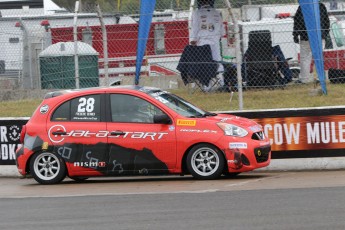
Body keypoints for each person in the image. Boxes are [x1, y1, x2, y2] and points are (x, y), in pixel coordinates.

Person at [190, 0, 226, 90]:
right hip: (215, 42)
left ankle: (207, 86)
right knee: (218, 63)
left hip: (202, 43)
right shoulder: (218, 13)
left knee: (205, 63)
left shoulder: (196, 13)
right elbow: (222, 32)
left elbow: (194, 28)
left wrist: (193, 40)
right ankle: (221, 83)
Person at [293, 1, 330, 83]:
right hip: (319, 35)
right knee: (319, 57)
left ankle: (304, 79)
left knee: (305, 58)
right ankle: (320, 77)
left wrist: (295, 35)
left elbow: (297, 22)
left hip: (306, 36)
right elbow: (326, 21)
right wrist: (325, 33)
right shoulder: (320, 6)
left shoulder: (303, 6)